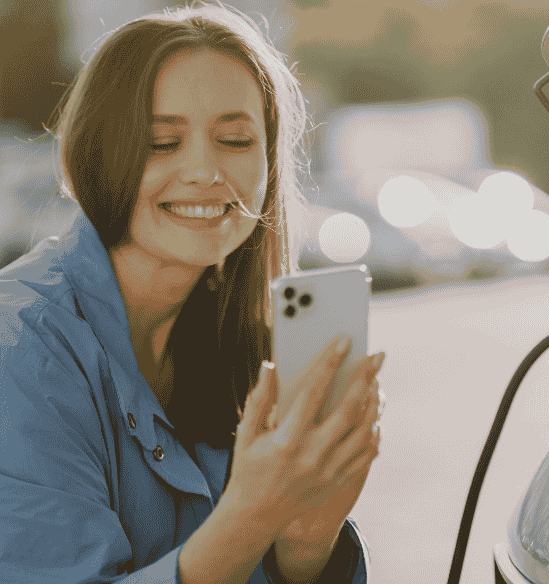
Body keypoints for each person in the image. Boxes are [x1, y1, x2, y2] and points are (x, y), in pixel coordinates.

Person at [0, 2, 387, 583]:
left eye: (235, 139)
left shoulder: (247, 340)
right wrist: (252, 517)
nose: (206, 171)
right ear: (96, 153)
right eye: (162, 142)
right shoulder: (19, 344)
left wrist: (306, 543)